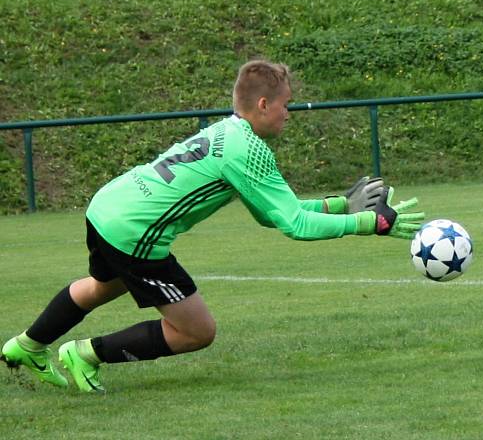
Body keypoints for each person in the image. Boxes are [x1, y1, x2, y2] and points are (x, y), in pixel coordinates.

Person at [1, 59, 424, 392]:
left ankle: (26, 345)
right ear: (263, 104)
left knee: (102, 286)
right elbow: (294, 225)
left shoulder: (227, 133)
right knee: (197, 331)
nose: (288, 114)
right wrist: (370, 221)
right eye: (285, 104)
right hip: (135, 232)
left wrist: (338, 205)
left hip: (108, 206)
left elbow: (270, 214)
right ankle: (86, 354)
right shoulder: (248, 151)